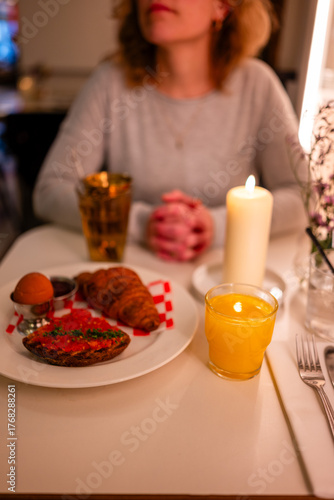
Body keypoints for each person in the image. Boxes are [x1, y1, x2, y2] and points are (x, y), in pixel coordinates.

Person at [33, 0, 307, 262]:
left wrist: (217, 226)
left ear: (222, 6)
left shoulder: (257, 85)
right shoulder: (109, 83)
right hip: (134, 278)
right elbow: (50, 190)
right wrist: (140, 222)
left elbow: (304, 196)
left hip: (225, 287)